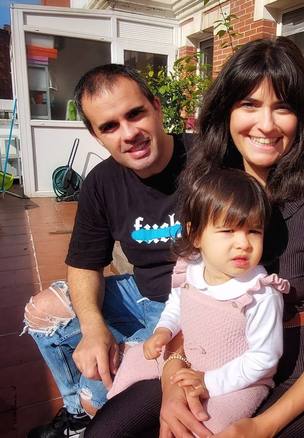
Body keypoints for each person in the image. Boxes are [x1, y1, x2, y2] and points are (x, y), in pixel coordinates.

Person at [87, 36, 304, 438]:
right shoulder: (209, 186)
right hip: (216, 360)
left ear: (302, 117)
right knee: (109, 431)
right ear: (226, 110)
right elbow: (194, 293)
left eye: (284, 107)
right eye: (249, 104)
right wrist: (174, 371)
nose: (266, 124)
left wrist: (262, 426)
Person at [22, 64, 191, 438]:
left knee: (96, 394)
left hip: (189, 303)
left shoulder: (203, 161)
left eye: (135, 114)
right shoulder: (102, 182)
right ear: (96, 135)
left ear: (157, 107)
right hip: (141, 291)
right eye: (110, 126)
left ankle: (87, 408)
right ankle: (75, 418)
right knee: (42, 312)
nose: (129, 134)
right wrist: (93, 326)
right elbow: (84, 263)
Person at [106, 168, 289, 433]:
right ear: (195, 234)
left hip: (238, 383)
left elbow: (264, 358)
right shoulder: (190, 268)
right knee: (132, 363)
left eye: (254, 231)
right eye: (228, 230)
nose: (243, 243)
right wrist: (163, 330)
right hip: (186, 359)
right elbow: (177, 304)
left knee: (203, 426)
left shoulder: (260, 292)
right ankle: (112, 402)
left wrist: (210, 383)